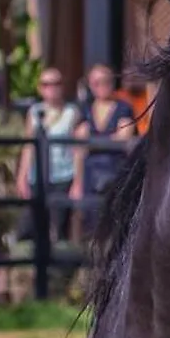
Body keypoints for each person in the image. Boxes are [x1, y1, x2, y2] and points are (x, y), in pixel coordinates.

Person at [15, 68, 85, 246]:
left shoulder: (72, 112)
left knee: (59, 228)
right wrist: (22, 177)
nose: (51, 88)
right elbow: (28, 147)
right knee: (28, 226)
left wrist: (77, 182)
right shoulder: (34, 112)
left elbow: (78, 150)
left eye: (56, 83)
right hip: (36, 177)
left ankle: (58, 271)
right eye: (46, 84)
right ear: (40, 88)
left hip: (63, 175)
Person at [82, 65, 135, 200]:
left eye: (106, 81)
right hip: (89, 174)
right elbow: (79, 143)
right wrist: (110, 139)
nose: (102, 86)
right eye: (96, 82)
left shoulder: (124, 107)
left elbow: (123, 138)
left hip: (116, 171)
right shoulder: (85, 109)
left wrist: (92, 142)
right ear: (90, 85)